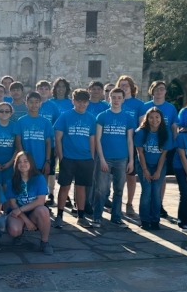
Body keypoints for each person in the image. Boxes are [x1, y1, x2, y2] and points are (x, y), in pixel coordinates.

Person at [53, 88, 96, 229]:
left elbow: (92, 139)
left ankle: (81, 216)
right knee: (64, 186)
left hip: (85, 158)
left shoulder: (90, 118)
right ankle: (59, 216)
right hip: (68, 158)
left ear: (88, 103)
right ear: (73, 101)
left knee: (81, 187)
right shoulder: (65, 116)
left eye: (84, 102)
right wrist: (61, 157)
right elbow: (58, 138)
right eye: (78, 101)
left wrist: (92, 157)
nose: (81, 104)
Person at [94, 88, 134, 228]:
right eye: (114, 97)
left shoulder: (128, 118)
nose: (116, 100)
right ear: (109, 99)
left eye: (119, 97)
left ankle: (116, 217)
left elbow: (130, 140)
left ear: (123, 99)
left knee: (119, 189)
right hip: (105, 158)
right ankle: (97, 217)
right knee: (101, 190)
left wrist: (131, 160)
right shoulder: (102, 116)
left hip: (121, 159)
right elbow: (97, 140)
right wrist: (102, 159)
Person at [4, 151, 54, 255]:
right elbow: (13, 204)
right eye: (19, 162)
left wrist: (21, 210)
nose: (22, 164)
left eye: (25, 161)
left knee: (44, 210)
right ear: (16, 165)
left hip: (33, 212)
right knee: (14, 230)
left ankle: (44, 241)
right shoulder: (11, 181)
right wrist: (26, 221)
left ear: (31, 163)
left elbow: (41, 201)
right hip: (17, 213)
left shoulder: (39, 178)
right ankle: (19, 234)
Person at [142, 81, 179, 218]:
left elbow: (174, 127)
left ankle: (159, 204)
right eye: (156, 89)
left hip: (165, 146)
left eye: (162, 89)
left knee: (161, 176)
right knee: (147, 178)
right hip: (148, 146)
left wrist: (176, 144)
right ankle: (147, 205)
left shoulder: (171, 108)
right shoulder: (145, 106)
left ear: (165, 91)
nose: (159, 91)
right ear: (151, 91)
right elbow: (141, 125)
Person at [134, 107, 173, 230]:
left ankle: (155, 219)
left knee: (156, 192)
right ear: (147, 118)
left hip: (159, 165)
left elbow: (163, 154)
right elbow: (140, 153)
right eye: (151, 117)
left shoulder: (166, 132)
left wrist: (158, 171)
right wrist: (145, 170)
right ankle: (145, 219)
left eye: (157, 117)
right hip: (144, 164)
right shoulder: (141, 132)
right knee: (146, 191)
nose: (154, 120)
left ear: (161, 118)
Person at [117, 76, 145, 216]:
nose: (124, 87)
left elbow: (141, 124)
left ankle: (129, 203)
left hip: (131, 143)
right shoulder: (116, 101)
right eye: (121, 85)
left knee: (130, 175)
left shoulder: (139, 104)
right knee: (117, 175)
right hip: (115, 141)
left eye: (126, 85)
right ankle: (117, 202)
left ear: (132, 87)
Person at [14, 92, 54, 177]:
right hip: (26, 162)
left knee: (42, 187)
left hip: (41, 161)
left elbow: (48, 143)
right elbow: (18, 142)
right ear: (26, 104)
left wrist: (47, 161)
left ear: (40, 104)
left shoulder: (46, 122)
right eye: (31, 102)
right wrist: (23, 159)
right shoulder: (21, 121)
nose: (34, 104)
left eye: (36, 102)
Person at [36, 80, 61, 208]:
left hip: (48, 143)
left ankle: (44, 197)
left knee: (47, 171)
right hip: (34, 143)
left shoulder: (53, 106)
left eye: (46, 88)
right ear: (37, 90)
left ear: (50, 91)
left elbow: (57, 127)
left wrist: (56, 145)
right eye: (41, 88)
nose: (43, 91)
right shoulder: (33, 104)